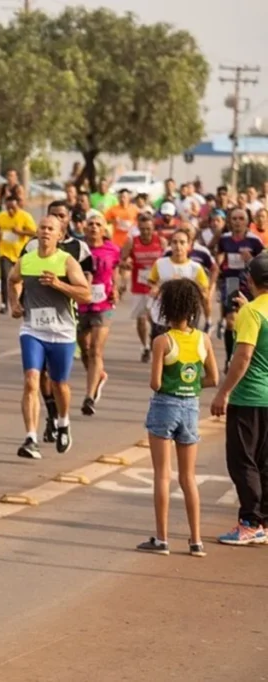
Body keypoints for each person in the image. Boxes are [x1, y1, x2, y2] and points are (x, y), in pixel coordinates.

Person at [137, 278, 219, 557]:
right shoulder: (203, 340)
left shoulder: (163, 340)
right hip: (191, 407)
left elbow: (155, 382)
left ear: (166, 308)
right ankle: (196, 541)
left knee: (162, 474)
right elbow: (213, 378)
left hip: (164, 406)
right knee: (188, 477)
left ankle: (162, 539)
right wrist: (192, 385)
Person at [8, 215, 92, 459]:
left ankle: (63, 422)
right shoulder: (26, 260)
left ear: (60, 234)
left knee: (59, 384)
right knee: (31, 380)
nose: (45, 232)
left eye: (50, 229)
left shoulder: (67, 262)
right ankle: (30, 438)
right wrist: (14, 303)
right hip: (33, 329)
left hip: (62, 331)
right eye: (42, 228)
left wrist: (59, 284)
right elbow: (13, 280)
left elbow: (86, 295)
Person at [211, 252, 268, 546]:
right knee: (265, 461)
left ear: (250, 280)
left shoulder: (251, 313)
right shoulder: (256, 311)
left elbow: (243, 356)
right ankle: (264, 522)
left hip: (250, 397)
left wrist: (224, 392)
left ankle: (249, 522)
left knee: (242, 461)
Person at [78, 213, 120, 416]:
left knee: (95, 350)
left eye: (98, 224)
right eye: (91, 224)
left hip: (103, 305)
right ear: (85, 228)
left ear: (104, 229)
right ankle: (98, 376)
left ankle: (89, 396)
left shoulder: (112, 249)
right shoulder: (78, 248)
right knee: (84, 350)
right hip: (80, 304)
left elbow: (116, 269)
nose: (94, 227)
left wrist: (117, 287)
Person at [217, 207, 264, 368]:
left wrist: (250, 259)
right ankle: (230, 358)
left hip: (250, 283)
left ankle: (250, 355)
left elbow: (262, 263)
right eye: (234, 218)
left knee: (250, 319)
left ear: (247, 222)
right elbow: (218, 258)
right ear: (230, 221)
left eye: (241, 218)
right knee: (231, 322)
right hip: (231, 282)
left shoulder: (254, 241)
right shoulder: (224, 239)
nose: (237, 221)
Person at [147, 230, 211, 340]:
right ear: (170, 245)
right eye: (175, 242)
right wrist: (155, 289)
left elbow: (204, 292)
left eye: (182, 242)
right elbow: (151, 282)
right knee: (160, 350)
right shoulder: (160, 264)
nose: (178, 246)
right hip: (161, 316)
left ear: (189, 245)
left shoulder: (195, 268)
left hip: (186, 318)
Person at [119, 213, 166, 362]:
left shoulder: (161, 241)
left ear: (153, 228)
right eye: (143, 229)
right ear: (138, 228)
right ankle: (145, 346)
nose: (146, 232)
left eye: (149, 229)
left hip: (157, 286)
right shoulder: (132, 242)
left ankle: (155, 339)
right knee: (140, 319)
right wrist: (125, 267)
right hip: (139, 285)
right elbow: (121, 260)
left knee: (155, 318)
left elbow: (167, 260)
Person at [0, 194, 37, 314]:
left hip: (21, 253)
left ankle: (22, 302)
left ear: (18, 205)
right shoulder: (1, 216)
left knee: (22, 279)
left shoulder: (25, 216)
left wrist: (21, 232)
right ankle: (4, 304)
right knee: (5, 277)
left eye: (13, 207)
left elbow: (34, 232)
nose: (11, 210)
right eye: (8, 208)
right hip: (5, 252)